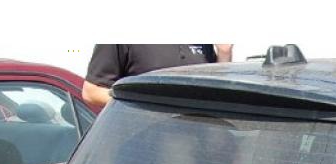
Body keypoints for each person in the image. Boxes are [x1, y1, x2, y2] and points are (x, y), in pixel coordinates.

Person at [82, 44, 233, 109]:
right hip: (144, 146)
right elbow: (92, 91)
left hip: (195, 146)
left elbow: (215, 91)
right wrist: (148, 106)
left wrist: (224, 54)